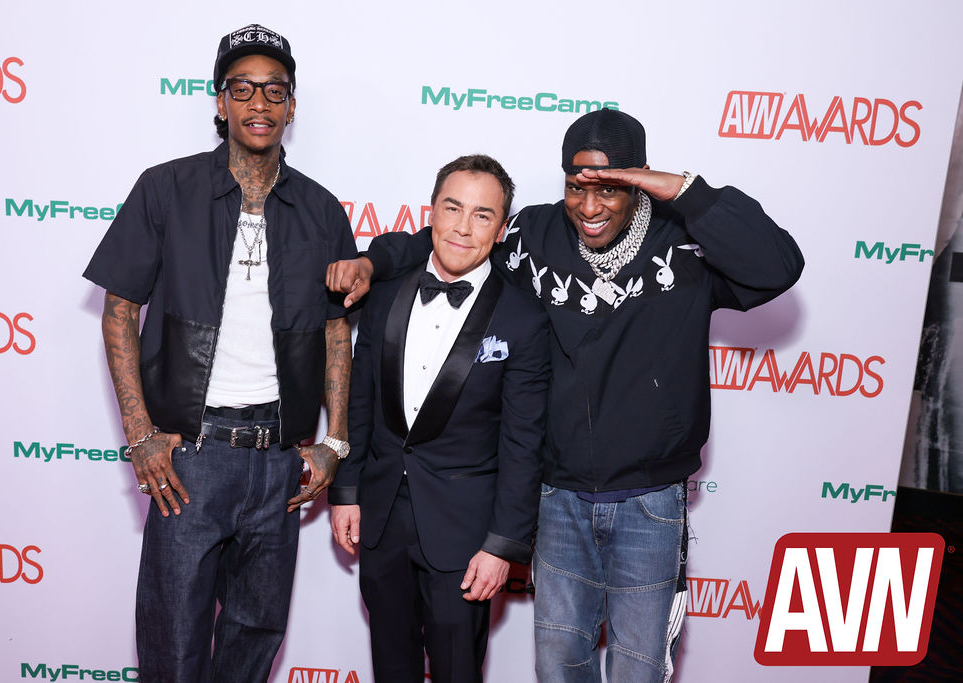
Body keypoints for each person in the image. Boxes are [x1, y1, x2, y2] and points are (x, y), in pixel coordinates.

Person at [326, 109, 804, 683]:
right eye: (578, 187)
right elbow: (453, 243)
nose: (591, 206)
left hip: (650, 499)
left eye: (611, 188)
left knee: (638, 668)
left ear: (640, 181)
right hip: (557, 496)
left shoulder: (686, 243)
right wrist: (372, 261)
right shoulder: (533, 235)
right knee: (558, 665)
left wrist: (684, 192)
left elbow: (778, 266)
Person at [83, 23, 356, 683]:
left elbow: (335, 333)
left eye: (274, 90)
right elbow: (119, 310)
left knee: (253, 646)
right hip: (191, 460)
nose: (259, 103)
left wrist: (334, 441)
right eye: (243, 89)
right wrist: (141, 433)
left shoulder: (321, 209)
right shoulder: (166, 189)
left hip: (279, 465)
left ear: (292, 105)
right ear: (220, 101)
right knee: (173, 647)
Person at [328, 155, 551, 683]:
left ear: (500, 230)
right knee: (390, 666)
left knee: (457, 671)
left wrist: (502, 544)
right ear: (431, 211)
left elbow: (523, 443)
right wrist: (346, 491)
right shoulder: (385, 292)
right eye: (453, 208)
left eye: (482, 215)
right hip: (381, 517)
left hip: (465, 535)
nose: (463, 227)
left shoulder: (524, 318)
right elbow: (361, 402)